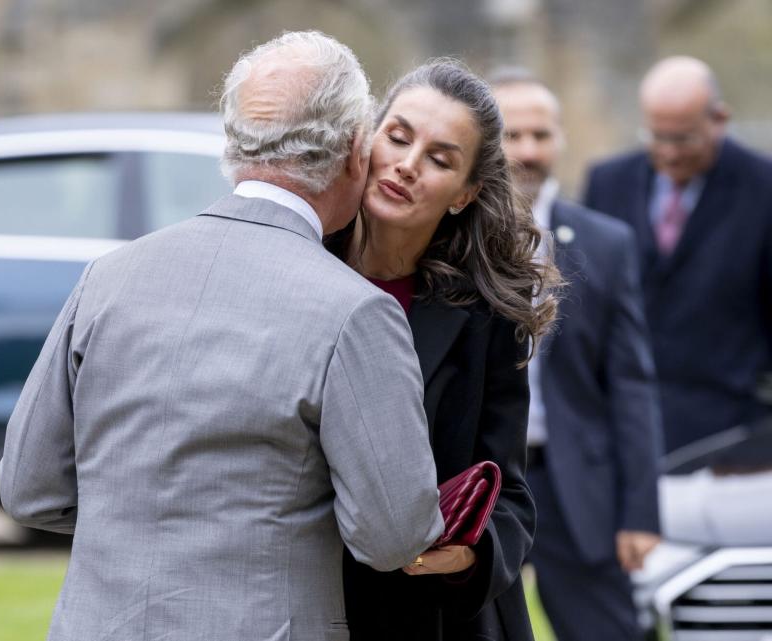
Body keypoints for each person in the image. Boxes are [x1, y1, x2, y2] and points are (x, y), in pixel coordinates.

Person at [0, 31, 445, 641]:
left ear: (233, 144)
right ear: (351, 153)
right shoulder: (353, 312)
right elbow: (392, 534)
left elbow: (29, 488)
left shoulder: (110, 277)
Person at [327, 59, 560, 641]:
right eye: (398, 138)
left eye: (439, 159)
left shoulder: (488, 314)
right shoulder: (299, 261)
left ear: (465, 194)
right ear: (368, 139)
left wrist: (467, 555)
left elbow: (509, 494)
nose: (406, 166)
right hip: (303, 597)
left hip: (430, 614)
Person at [493, 70, 662, 641]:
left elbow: (631, 383)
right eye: (512, 135)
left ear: (560, 138)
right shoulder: (451, 239)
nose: (528, 151)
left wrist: (641, 510)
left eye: (541, 135)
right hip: (484, 482)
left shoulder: (607, 243)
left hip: (578, 490)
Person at [584, 56, 772, 453]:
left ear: (719, 119)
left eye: (683, 139)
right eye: (656, 136)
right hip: (621, 430)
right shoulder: (606, 183)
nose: (668, 153)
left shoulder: (763, 187)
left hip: (731, 433)